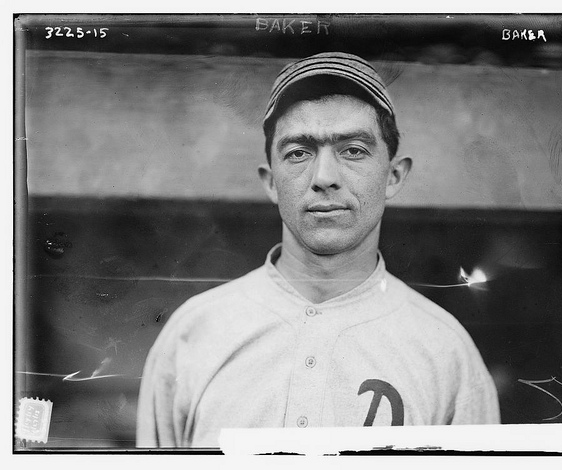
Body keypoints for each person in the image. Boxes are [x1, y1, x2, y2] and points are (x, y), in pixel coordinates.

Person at [136, 52, 500, 448]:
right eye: (298, 153)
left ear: (393, 176)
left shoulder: (447, 353)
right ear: (271, 182)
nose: (324, 178)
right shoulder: (193, 333)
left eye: (354, 150)